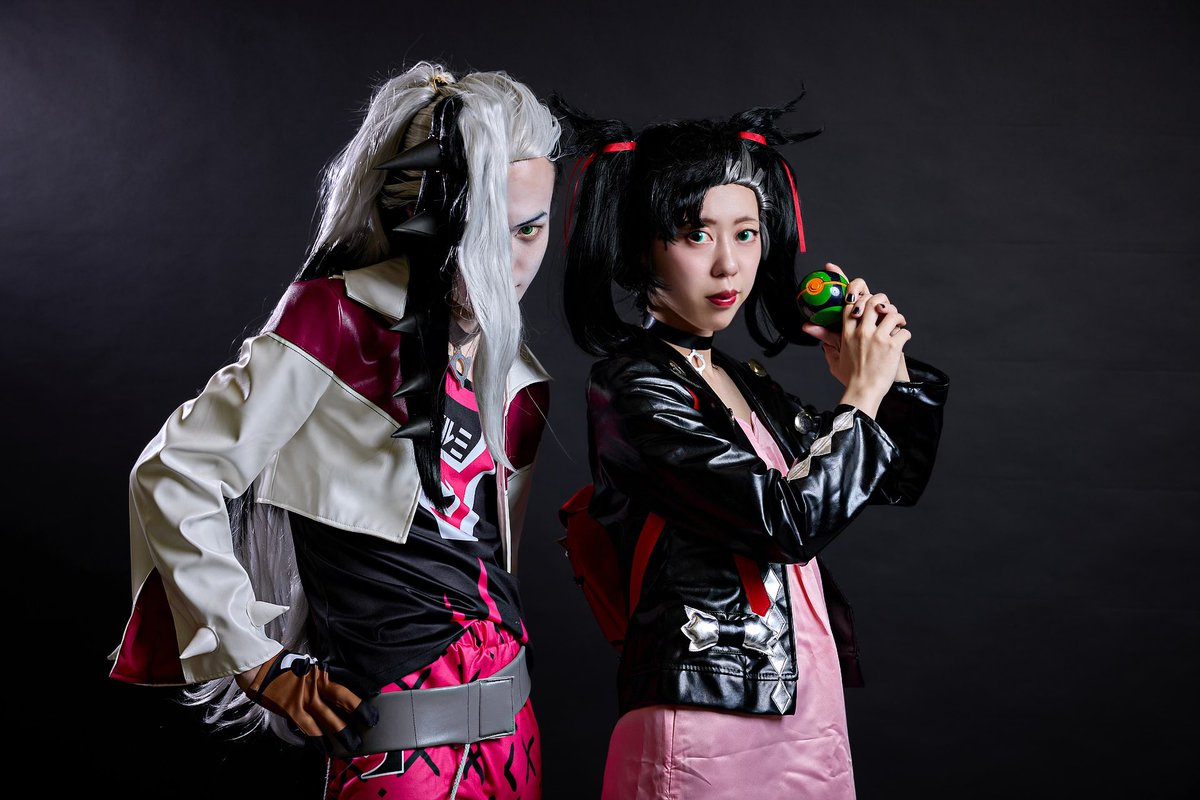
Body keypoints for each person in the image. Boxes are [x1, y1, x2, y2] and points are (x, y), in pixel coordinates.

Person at [108, 61, 561, 800]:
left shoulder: (516, 376)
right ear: (427, 216)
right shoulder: (337, 320)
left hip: (516, 740)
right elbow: (174, 473)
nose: (508, 263)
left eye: (530, 229)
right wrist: (257, 661)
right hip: (400, 753)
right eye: (482, 229)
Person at [554, 94, 949, 798]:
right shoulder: (633, 386)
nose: (728, 266)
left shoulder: (744, 381)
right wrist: (859, 397)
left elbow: (891, 479)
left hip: (803, 701)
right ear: (643, 247)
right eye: (695, 235)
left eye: (746, 233)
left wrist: (888, 378)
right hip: (708, 710)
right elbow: (787, 523)